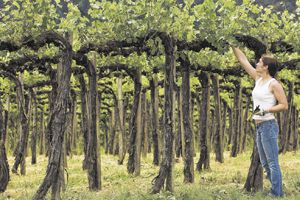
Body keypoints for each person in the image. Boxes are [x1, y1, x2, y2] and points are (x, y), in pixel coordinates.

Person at [232, 47, 288, 197]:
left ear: (266, 67)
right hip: (259, 127)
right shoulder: (258, 79)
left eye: (259, 62)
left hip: (268, 125)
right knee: (265, 163)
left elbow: (284, 104)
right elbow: (243, 61)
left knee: (272, 162)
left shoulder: (274, 84)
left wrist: (266, 110)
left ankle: (277, 193)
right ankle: (276, 190)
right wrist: (232, 43)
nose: (256, 63)